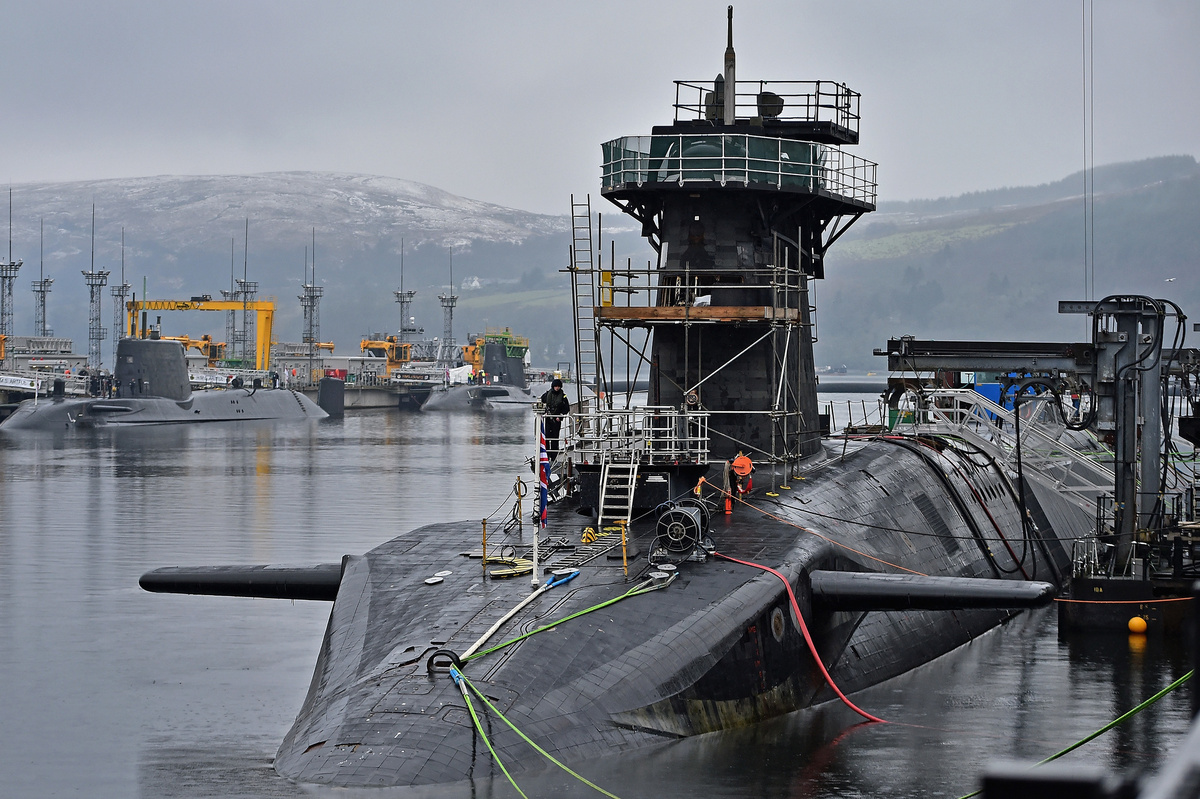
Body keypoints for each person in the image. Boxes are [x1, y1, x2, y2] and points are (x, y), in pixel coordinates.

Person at [540, 378, 571, 461]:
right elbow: (540, 403)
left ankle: (554, 456)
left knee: (555, 438)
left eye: (558, 386)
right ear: (553, 386)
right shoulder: (546, 395)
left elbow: (566, 408)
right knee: (546, 437)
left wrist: (560, 416)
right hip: (548, 419)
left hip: (556, 420)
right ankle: (546, 454)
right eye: (555, 386)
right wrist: (543, 412)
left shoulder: (563, 397)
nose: (557, 388)